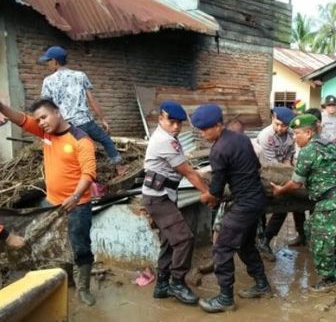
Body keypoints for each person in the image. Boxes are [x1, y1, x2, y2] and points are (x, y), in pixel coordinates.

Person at [0, 98, 97, 305]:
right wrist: (1, 107)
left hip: (76, 206)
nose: (41, 122)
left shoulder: (81, 140)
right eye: (38, 119)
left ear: (57, 112)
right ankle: (64, 279)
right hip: (50, 204)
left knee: (80, 247)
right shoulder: (46, 133)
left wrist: (75, 196)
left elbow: (89, 173)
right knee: (50, 243)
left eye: (44, 117)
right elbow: (21, 120)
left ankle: (84, 288)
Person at [192, 104, 271, 313]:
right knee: (245, 245)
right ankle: (262, 285)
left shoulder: (219, 150)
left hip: (244, 204)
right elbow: (256, 166)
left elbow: (216, 191)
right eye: (199, 130)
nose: (202, 134)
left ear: (217, 125)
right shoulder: (241, 139)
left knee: (222, 248)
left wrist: (206, 196)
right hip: (257, 201)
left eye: (205, 129)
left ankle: (225, 298)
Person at [271, 114, 336, 291]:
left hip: (330, 202)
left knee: (319, 238)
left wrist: (280, 190)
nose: (294, 137)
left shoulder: (308, 152)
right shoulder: (332, 145)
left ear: (309, 133)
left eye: (297, 133)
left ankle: (328, 279)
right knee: (309, 228)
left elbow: (295, 183)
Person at [142, 101, 210, 305]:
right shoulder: (164, 141)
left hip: (165, 195)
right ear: (160, 119)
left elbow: (188, 168)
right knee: (184, 239)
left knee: (170, 241)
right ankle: (177, 282)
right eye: (171, 122)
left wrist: (204, 176)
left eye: (180, 123)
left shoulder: (170, 137)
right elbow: (188, 172)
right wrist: (207, 193)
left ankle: (162, 285)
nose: (176, 127)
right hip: (158, 198)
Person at [39, 46, 128, 175]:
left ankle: (80, 177)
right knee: (105, 140)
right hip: (86, 122)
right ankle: (119, 168)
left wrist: (48, 127)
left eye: (48, 61)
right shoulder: (80, 76)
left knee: (74, 152)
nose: (47, 64)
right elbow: (92, 100)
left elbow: (46, 107)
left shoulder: (48, 81)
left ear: (55, 61)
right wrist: (103, 119)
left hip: (67, 126)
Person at [256, 107, 306, 262]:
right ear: (273, 118)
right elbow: (270, 165)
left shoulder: (292, 134)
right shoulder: (266, 136)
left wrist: (290, 178)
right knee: (282, 206)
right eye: (277, 124)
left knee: (298, 201)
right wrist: (289, 180)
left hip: (283, 173)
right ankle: (264, 240)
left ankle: (302, 235)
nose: (280, 128)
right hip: (265, 175)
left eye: (284, 126)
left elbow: (288, 159)